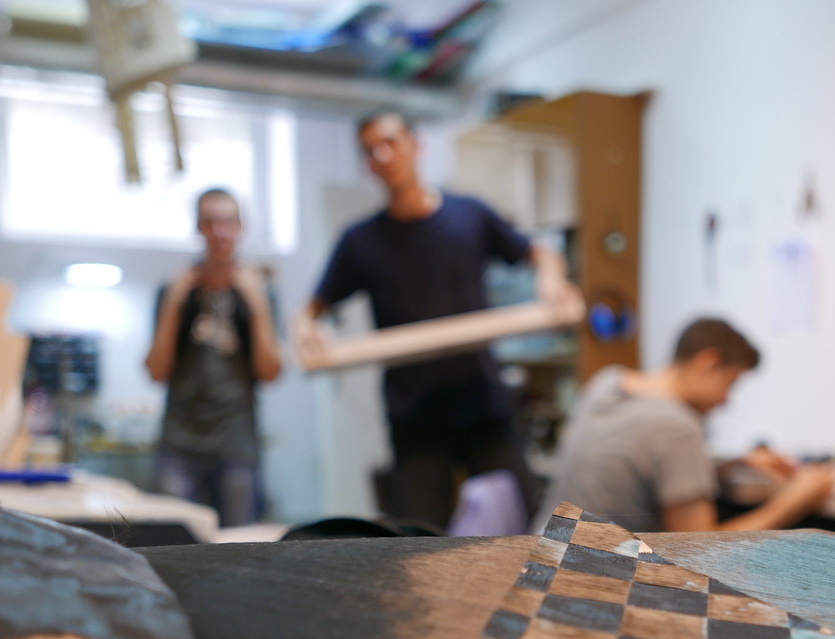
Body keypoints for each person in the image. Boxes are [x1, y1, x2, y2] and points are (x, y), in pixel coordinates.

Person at [294, 109, 577, 530]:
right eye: (370, 150)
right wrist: (306, 327)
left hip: (482, 405)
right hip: (416, 417)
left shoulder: (469, 215)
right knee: (420, 540)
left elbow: (540, 253)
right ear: (367, 164)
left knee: (529, 524)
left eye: (391, 142)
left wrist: (551, 278)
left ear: (416, 144)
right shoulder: (360, 241)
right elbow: (313, 307)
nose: (383, 155)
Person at [537, 317, 835, 532]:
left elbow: (638, 467)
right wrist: (795, 500)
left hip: (536, 561)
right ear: (708, 363)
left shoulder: (608, 381)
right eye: (729, 383)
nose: (726, 401)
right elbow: (700, 552)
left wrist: (736, 463)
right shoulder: (679, 427)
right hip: (593, 587)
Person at [145, 188, 281, 527]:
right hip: (179, 444)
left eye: (228, 222)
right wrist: (173, 304)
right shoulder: (175, 291)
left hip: (236, 444)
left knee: (237, 548)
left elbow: (270, 372)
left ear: (241, 227)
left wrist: (258, 305)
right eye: (211, 222)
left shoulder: (258, 294)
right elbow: (156, 371)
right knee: (174, 547)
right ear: (198, 228)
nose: (220, 232)